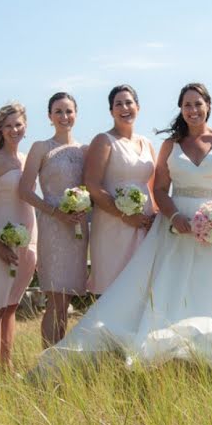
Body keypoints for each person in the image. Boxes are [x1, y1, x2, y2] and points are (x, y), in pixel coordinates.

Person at [34, 83, 212, 375]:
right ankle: (172, 360)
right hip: (176, 227)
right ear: (181, 109)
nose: (193, 110)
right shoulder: (171, 144)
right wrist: (175, 215)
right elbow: (161, 189)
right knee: (166, 290)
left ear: (208, 106)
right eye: (187, 105)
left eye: (198, 104)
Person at [19, 92, 89, 347]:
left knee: (67, 300)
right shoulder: (41, 147)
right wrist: (56, 212)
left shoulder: (85, 150)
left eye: (69, 111)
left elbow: (90, 186)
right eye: (58, 111)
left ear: (76, 114)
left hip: (78, 229)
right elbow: (24, 190)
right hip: (52, 226)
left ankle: (60, 358)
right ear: (49, 116)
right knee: (55, 299)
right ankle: (48, 361)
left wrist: (83, 207)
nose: (64, 116)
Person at [0, 102, 37, 367]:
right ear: (0, 128)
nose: (14, 130)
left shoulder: (26, 159)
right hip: (2, 235)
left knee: (12, 305)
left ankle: (7, 365)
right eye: (8, 125)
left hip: (29, 235)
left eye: (18, 124)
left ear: (25, 126)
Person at [84, 85, 156, 295]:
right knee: (114, 288)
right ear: (111, 111)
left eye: (129, 102)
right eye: (118, 104)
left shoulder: (147, 143)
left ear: (138, 107)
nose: (124, 108)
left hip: (144, 224)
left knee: (143, 287)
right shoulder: (104, 141)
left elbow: (151, 186)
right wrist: (124, 215)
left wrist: (153, 217)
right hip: (112, 224)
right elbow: (93, 185)